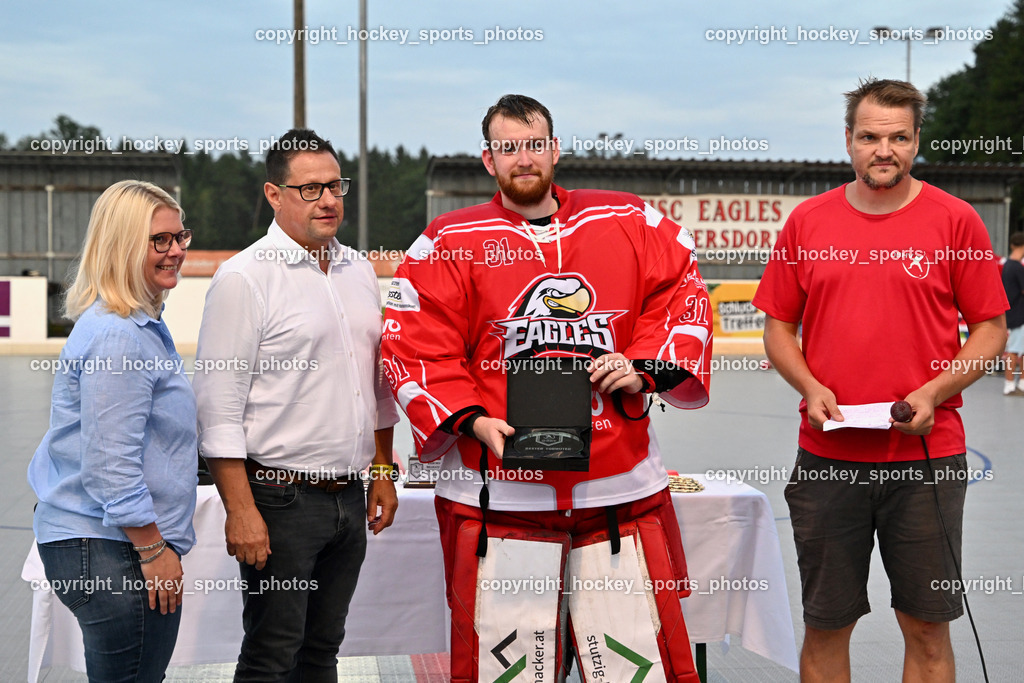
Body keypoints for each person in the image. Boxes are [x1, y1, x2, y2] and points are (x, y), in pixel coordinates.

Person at [382, 95, 711, 682]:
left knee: (633, 664)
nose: (524, 159)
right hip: (499, 496)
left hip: (616, 490)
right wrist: (475, 421)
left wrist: (644, 367)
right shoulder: (449, 240)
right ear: (488, 160)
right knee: (508, 669)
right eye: (509, 148)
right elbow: (414, 340)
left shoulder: (629, 221)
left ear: (555, 149)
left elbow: (681, 292)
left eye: (534, 145)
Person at [754, 78, 1008, 682]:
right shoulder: (808, 222)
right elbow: (778, 328)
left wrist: (933, 393)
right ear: (849, 140)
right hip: (828, 459)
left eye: (897, 137)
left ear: (917, 140)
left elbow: (991, 331)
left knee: (926, 626)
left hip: (926, 461)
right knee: (827, 623)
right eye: (869, 136)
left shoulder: (957, 220)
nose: (883, 149)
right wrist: (810, 388)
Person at [192, 128, 400, 681]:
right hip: (278, 501)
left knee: (322, 650)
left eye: (335, 186)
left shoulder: (358, 270)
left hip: (349, 497)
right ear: (273, 194)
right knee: (271, 654)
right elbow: (217, 409)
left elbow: (376, 385)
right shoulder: (244, 278)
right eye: (309, 190)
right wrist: (241, 510)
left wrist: (382, 468)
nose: (328, 200)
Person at [28, 180, 197, 682]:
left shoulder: (132, 325)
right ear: (123, 248)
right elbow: (109, 466)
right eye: (159, 241)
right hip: (112, 546)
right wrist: (152, 549)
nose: (176, 252)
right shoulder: (119, 336)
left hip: (105, 542)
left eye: (180, 237)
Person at [1001, 231, 1024, 395]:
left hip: (1013, 314)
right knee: (1014, 352)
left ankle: (1021, 383)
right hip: (1019, 317)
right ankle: (1009, 385)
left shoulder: (1007, 265)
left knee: (1019, 350)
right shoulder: (1017, 268)